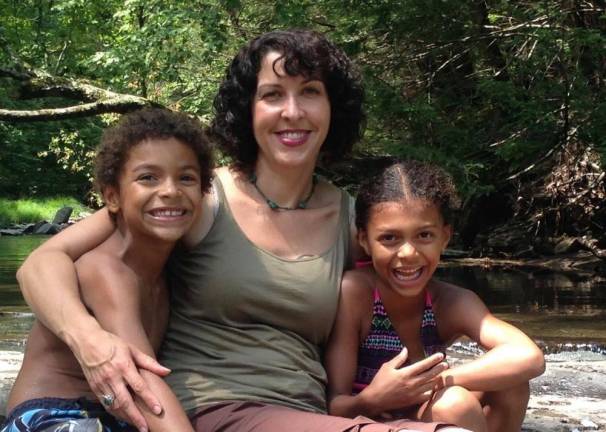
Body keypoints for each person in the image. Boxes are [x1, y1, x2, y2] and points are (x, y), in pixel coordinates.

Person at [16, 30, 469, 432]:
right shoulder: (197, 195)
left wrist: (475, 337)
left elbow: (405, 292)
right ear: (247, 110)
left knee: (472, 406)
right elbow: (44, 262)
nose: (292, 111)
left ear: (333, 108)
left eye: (310, 92)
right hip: (213, 407)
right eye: (273, 94)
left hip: (311, 412)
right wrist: (89, 339)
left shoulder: (351, 219)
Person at [2, 108, 213, 432]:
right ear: (111, 197)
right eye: (148, 177)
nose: (171, 190)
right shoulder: (107, 270)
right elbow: (142, 384)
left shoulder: (169, 268)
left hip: (111, 418)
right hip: (52, 417)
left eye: (186, 177)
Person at [325, 160, 546, 431]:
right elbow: (335, 405)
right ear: (364, 240)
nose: (408, 253)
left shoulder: (449, 301)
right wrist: (375, 398)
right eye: (389, 238)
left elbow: (529, 356)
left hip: (426, 410)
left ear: (445, 237)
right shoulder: (356, 294)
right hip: (373, 420)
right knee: (454, 403)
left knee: (510, 384)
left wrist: (430, 382)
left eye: (424, 235)